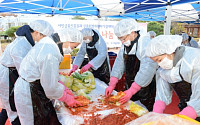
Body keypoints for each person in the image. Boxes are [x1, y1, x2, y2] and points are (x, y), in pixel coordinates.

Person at [14, 20, 82, 125]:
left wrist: (64, 88)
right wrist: (66, 98)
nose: (71, 50)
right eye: (73, 47)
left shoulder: (49, 44)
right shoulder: (50, 52)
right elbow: (50, 87)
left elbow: (50, 76)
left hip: (33, 87)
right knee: (34, 121)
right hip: (29, 92)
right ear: (67, 40)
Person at [105, 19, 158, 111]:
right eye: (120, 39)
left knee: (144, 111)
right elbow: (119, 62)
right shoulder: (126, 43)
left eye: (123, 38)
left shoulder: (145, 43)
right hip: (130, 83)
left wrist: (133, 90)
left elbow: (147, 68)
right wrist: (112, 83)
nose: (122, 41)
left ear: (133, 33)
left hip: (145, 86)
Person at [145, 35, 200, 120]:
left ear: (170, 51)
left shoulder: (195, 60)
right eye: (156, 62)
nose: (159, 64)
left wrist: (183, 117)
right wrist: (156, 113)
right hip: (186, 106)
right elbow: (161, 93)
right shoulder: (164, 68)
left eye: (159, 60)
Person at [0, 25, 34, 125]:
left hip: (12, 73)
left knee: (8, 107)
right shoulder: (21, 44)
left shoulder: (24, 42)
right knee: (12, 108)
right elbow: (24, 70)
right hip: (8, 76)